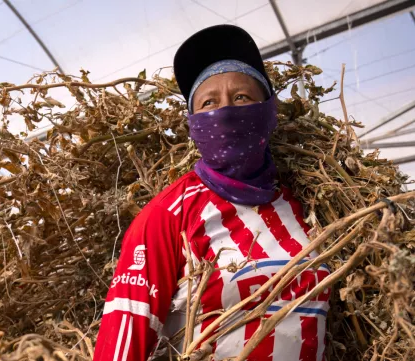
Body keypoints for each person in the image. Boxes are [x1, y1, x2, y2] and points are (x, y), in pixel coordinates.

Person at [92, 25, 330, 361]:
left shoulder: (305, 206)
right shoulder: (169, 215)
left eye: (242, 97)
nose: (226, 111)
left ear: (269, 111)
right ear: (193, 124)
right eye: (208, 102)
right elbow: (121, 345)